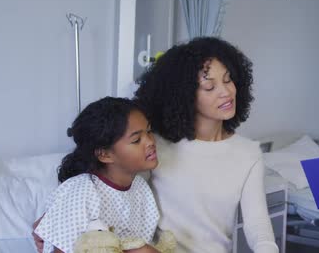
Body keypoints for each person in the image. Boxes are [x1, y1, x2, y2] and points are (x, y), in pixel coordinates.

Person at [135, 37, 278, 253]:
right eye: (209, 86)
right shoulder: (156, 146)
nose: (226, 92)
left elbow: (258, 227)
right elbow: (128, 209)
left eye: (228, 80)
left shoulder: (248, 154)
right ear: (185, 96)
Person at [34, 97, 161, 253]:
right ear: (105, 154)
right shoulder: (81, 192)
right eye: (136, 140)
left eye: (149, 131)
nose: (150, 141)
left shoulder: (140, 188)